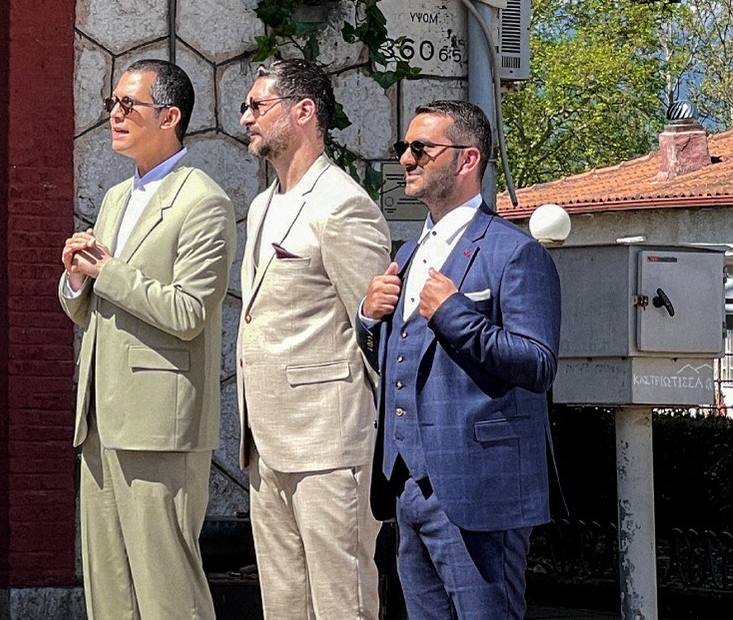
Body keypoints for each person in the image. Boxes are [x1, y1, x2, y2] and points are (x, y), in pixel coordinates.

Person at [358, 100, 561, 619]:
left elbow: (538, 364)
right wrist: (368, 320)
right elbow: (403, 362)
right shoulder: (406, 255)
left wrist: (453, 314)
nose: (406, 159)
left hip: (481, 492)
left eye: (421, 148)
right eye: (403, 147)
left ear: (468, 159)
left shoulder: (515, 253)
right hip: (407, 487)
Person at [58, 59, 235, 620]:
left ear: (169, 116)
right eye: (112, 103)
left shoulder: (203, 200)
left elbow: (189, 311)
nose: (114, 114)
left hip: (160, 424)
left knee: (167, 592)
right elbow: (93, 307)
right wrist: (76, 279)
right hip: (100, 418)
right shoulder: (116, 196)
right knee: (108, 592)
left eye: (127, 105)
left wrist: (107, 272)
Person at [235, 58, 391, 619]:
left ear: (303, 112)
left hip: (330, 443)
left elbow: (377, 333)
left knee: (342, 603)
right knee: (283, 605)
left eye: (258, 105)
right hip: (266, 440)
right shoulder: (262, 205)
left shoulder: (344, 204)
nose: (246, 117)